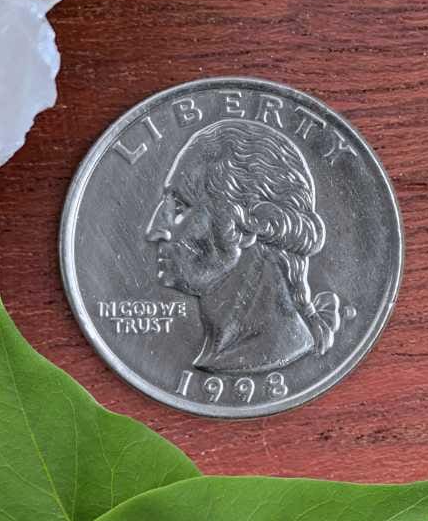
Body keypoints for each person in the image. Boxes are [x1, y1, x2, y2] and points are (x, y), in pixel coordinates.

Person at [145, 118, 349, 372]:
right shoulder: (221, 351)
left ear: (248, 225)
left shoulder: (265, 349)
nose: (153, 230)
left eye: (179, 206)